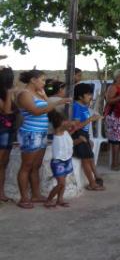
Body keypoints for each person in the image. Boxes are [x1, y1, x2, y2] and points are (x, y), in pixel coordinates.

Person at [15, 70, 70, 209]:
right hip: (30, 133)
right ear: (33, 80)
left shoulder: (38, 93)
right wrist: (59, 102)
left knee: (36, 166)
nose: (44, 83)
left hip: (41, 132)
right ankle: (23, 198)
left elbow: (47, 109)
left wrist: (45, 96)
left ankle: (35, 195)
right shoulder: (24, 94)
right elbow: (37, 111)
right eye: (42, 80)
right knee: (26, 166)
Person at [71, 83, 104, 191]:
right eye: (88, 94)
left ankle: (96, 178)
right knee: (86, 160)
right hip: (79, 135)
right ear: (80, 96)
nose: (91, 97)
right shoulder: (76, 107)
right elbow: (75, 126)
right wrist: (90, 119)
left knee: (90, 157)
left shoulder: (83, 107)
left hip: (84, 135)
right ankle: (92, 183)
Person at [45, 110, 75, 208]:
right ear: (59, 123)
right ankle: (49, 200)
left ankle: (60, 199)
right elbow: (72, 123)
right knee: (60, 183)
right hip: (58, 162)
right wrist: (90, 119)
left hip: (67, 160)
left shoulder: (65, 132)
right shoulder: (58, 131)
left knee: (63, 183)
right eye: (65, 120)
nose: (68, 122)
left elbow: (72, 129)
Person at [0, 66, 16, 203]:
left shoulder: (7, 92)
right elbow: (6, 111)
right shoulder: (5, 93)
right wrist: (10, 94)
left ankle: (1, 193)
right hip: (2, 130)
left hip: (8, 130)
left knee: (3, 164)